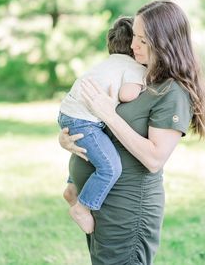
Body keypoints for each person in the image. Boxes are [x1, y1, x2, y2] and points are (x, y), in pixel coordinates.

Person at [58, 0, 205, 265]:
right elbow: (100, 128)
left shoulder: (172, 92)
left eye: (142, 40)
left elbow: (155, 159)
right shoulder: (137, 78)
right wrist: (67, 138)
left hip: (128, 210)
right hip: (101, 205)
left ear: (164, 41)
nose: (132, 46)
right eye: (134, 38)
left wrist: (108, 113)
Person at [58, 16, 146, 234]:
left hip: (69, 113)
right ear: (134, 45)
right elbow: (127, 94)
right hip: (84, 119)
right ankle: (83, 207)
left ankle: (71, 188)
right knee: (110, 167)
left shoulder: (106, 64)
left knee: (90, 150)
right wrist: (143, 85)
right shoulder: (135, 67)